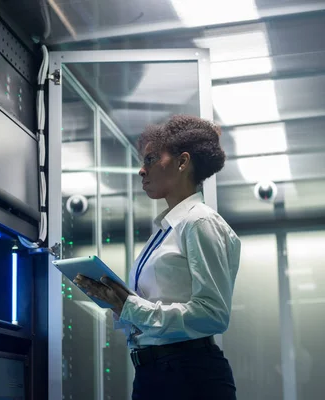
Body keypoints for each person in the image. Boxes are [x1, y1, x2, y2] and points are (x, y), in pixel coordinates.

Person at [74, 115, 241, 399]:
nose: (141, 170)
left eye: (151, 159)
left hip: (188, 376)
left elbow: (213, 315)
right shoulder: (167, 229)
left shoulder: (199, 222)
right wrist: (117, 304)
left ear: (182, 162)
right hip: (154, 372)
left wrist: (132, 307)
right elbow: (153, 309)